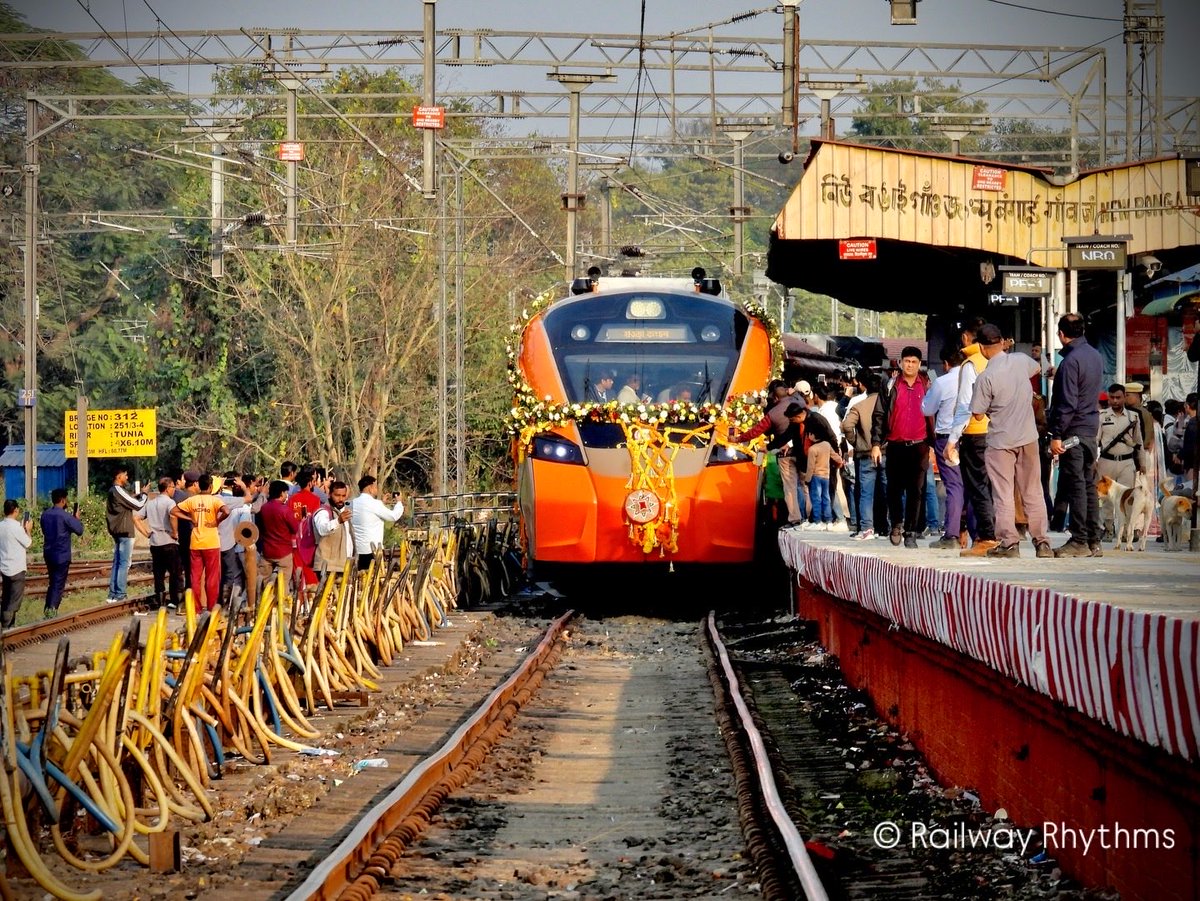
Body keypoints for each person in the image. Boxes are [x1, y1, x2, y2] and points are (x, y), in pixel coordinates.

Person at [969, 324, 1051, 558]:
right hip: (1028, 437)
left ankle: (1009, 543)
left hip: (1000, 442)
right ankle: (1042, 543)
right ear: (1002, 342)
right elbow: (1038, 369)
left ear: (982, 348)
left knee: (1003, 493)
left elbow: (977, 413)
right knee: (1033, 491)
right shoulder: (1021, 361)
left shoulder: (986, 377)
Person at [1045, 315, 1104, 557]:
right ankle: (1093, 540)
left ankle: (1079, 539)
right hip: (1090, 428)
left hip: (1073, 430)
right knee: (1088, 484)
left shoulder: (1071, 362)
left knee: (1075, 483)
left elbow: (1067, 403)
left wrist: (1056, 433)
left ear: (1061, 334)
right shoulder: (1094, 355)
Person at [871, 346, 931, 548]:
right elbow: (879, 415)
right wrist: (876, 444)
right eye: (907, 361)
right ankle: (896, 522)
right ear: (900, 362)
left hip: (920, 445)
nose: (910, 365)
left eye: (914, 362)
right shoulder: (890, 385)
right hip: (896, 445)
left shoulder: (927, 386)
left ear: (919, 364)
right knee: (894, 488)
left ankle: (911, 531)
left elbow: (936, 415)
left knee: (916, 490)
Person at [947, 319, 998, 556]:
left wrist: (952, 439)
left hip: (976, 433)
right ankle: (999, 535)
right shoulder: (1001, 361)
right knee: (995, 486)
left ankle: (986, 537)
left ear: (967, 338)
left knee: (977, 488)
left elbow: (966, 405)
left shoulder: (971, 364)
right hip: (998, 432)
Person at [922, 347, 966, 549]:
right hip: (972, 436)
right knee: (973, 485)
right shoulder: (974, 378)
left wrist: (931, 390)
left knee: (954, 486)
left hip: (947, 437)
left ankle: (952, 534)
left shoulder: (942, 381)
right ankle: (976, 533)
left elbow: (927, 409)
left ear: (946, 364)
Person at [171, 473, 229, 612]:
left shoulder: (192, 500)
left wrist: (190, 518)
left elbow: (173, 511)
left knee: (195, 578)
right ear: (210, 486)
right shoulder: (215, 501)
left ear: (199, 485)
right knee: (212, 577)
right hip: (211, 542)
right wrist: (217, 521)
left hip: (195, 542)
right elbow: (226, 511)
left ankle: (196, 609)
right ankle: (211, 607)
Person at [842, 371, 882, 540]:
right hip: (886, 452)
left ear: (864, 386)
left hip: (865, 453)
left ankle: (867, 528)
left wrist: (856, 442)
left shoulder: (859, 405)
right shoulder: (889, 405)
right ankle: (889, 527)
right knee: (888, 491)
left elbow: (846, 426)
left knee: (866, 493)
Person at [136, 476, 183, 610]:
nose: (174, 489)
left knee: (158, 573)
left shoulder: (150, 503)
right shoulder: (170, 503)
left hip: (155, 542)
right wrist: (174, 532)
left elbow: (136, 518)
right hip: (169, 541)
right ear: (168, 488)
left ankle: (160, 601)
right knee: (175, 573)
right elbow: (173, 516)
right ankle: (176, 601)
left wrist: (146, 533)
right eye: (173, 487)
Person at [40, 488, 83, 619]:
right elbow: (79, 530)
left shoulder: (45, 514)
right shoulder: (66, 516)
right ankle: (51, 611)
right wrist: (76, 519)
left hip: (48, 553)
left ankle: (48, 608)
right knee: (58, 584)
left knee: (52, 582)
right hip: (61, 555)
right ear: (63, 500)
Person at [106, 465, 146, 603]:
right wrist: (145, 495)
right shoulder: (118, 489)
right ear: (119, 476)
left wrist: (136, 496)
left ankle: (112, 594)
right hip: (125, 531)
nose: (127, 477)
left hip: (117, 531)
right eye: (125, 475)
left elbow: (127, 501)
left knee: (117, 562)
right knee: (124, 563)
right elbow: (137, 505)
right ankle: (120, 594)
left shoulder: (113, 491)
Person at [350, 475, 405, 569]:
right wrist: (399, 502)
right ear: (370, 488)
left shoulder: (351, 503)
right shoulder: (375, 504)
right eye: (375, 486)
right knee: (373, 579)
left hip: (356, 549)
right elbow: (393, 516)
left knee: (357, 579)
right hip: (373, 550)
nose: (377, 489)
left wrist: (382, 503)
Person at [312, 480, 356, 595]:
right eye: (337, 495)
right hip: (328, 567)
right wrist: (338, 521)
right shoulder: (323, 512)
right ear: (329, 494)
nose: (341, 499)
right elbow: (323, 529)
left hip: (342, 566)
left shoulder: (343, 512)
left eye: (343, 495)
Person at [258, 480, 299, 594]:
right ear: (281, 493)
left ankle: (263, 606)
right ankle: (282, 605)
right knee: (284, 582)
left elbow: (260, 528)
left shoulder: (264, 508)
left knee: (263, 583)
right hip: (283, 552)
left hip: (267, 552)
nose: (286, 495)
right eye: (286, 493)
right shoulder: (285, 510)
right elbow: (295, 528)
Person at [0, 500, 32, 629]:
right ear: (16, 511)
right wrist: (28, 530)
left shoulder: (1, 525)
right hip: (17, 568)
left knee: (6, 598)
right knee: (14, 601)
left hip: (3, 567)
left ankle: (9, 627)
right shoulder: (17, 527)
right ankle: (6, 627)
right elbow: (29, 543)